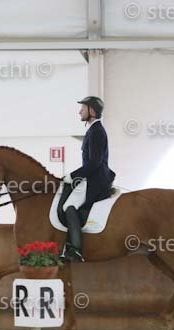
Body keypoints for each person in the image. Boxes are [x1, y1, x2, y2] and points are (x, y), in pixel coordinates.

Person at [61, 96, 116, 262]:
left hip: (96, 179)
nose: (80, 112)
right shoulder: (93, 130)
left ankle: (75, 249)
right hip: (92, 176)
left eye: (83, 109)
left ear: (92, 111)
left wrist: (73, 176)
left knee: (69, 206)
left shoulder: (97, 131)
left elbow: (94, 163)